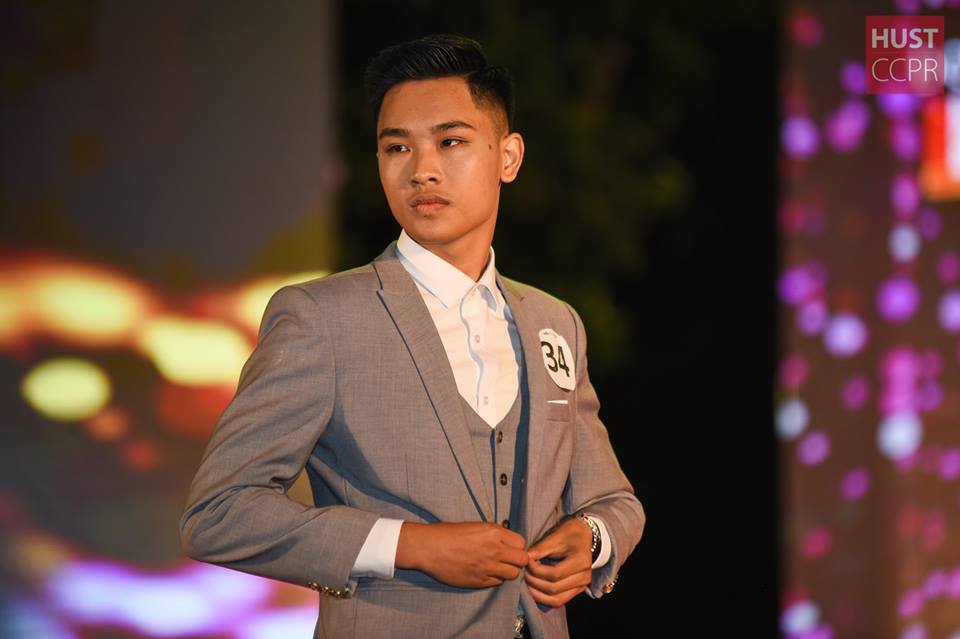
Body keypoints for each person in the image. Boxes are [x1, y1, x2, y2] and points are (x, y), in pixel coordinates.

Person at [180, 34, 645, 639]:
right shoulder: (321, 318)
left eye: (450, 141)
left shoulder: (553, 322)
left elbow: (613, 500)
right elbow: (219, 512)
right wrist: (410, 545)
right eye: (397, 147)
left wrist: (592, 538)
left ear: (508, 157)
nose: (422, 169)